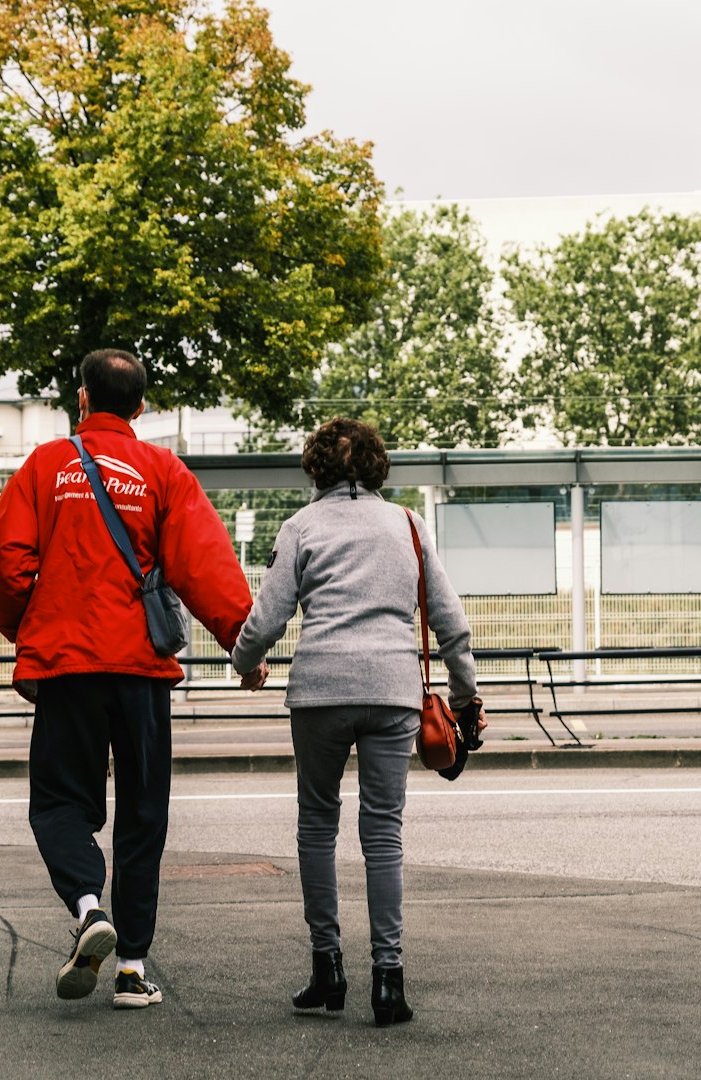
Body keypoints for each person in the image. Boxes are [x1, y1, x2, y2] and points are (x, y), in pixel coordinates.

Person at [0, 348, 266, 1011]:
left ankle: (87, 907)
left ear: (82, 399)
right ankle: (133, 968)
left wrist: (36, 624)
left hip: (69, 668)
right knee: (142, 815)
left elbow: (2, 559)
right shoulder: (162, 470)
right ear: (141, 407)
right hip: (140, 670)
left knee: (58, 806)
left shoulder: (46, 467)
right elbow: (203, 563)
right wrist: (242, 644)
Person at [231, 417, 484, 1028]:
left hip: (320, 691)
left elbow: (267, 618)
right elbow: (450, 623)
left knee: (317, 825)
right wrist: (466, 697)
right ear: (376, 466)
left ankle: (328, 970)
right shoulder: (407, 524)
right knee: (383, 834)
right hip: (393, 691)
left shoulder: (301, 527)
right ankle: (388, 983)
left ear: (315, 465)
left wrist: (244, 661)